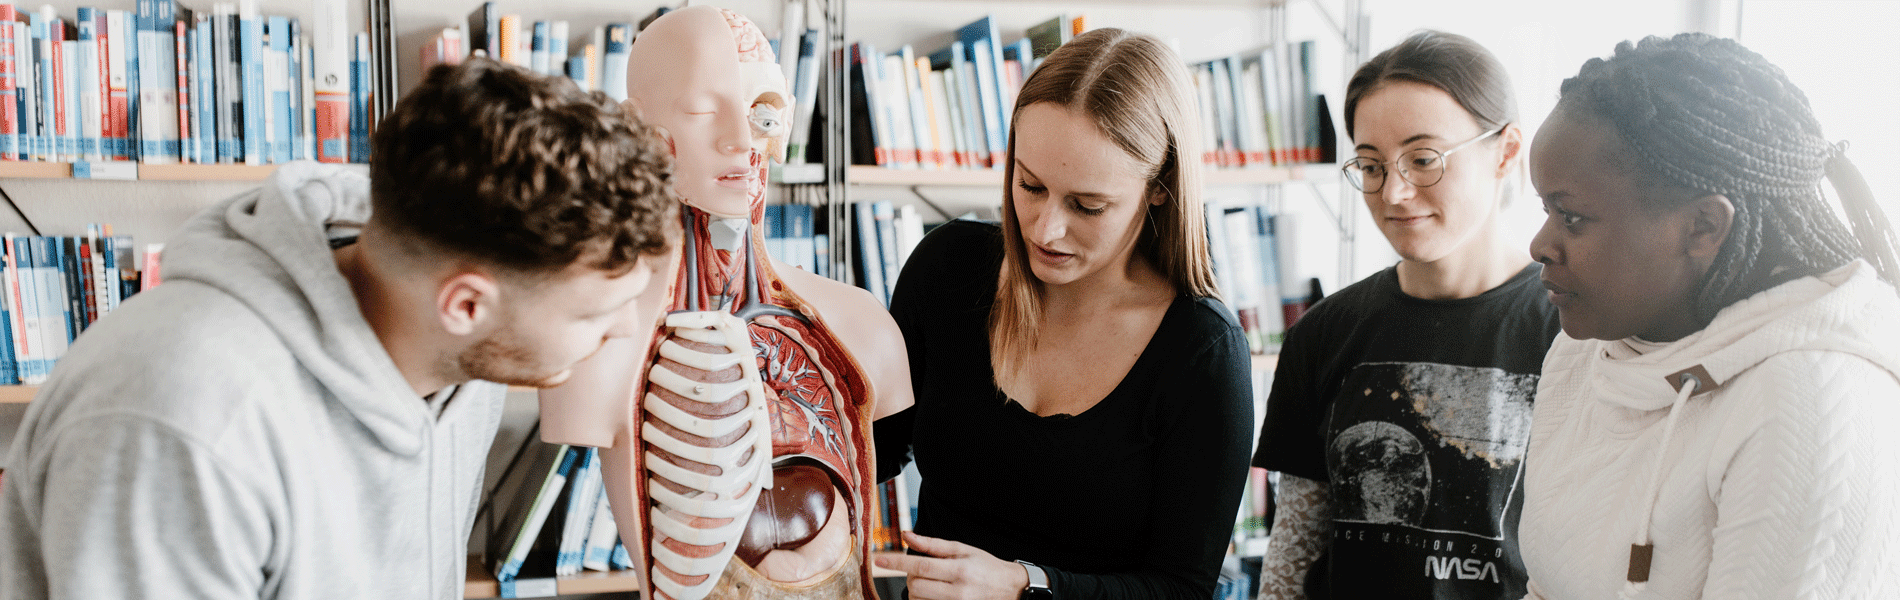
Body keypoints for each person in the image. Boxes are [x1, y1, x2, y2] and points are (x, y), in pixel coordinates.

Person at [0, 59, 677, 600]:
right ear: (466, 306)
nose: (625, 330)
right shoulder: (180, 417)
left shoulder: (459, 355)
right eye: (594, 312)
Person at [534, 6, 913, 600]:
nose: (742, 138)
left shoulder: (863, 326)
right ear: (644, 136)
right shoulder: (593, 340)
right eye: (705, 110)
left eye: (761, 109)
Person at [871, 27, 1254, 600]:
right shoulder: (947, 269)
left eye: (1088, 205)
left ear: (1159, 187)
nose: (1046, 230)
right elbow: (873, 449)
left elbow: (1181, 587)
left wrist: (1027, 585)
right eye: (1029, 185)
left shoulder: (1201, 349)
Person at [1521, 33, 1900, 600]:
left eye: (1572, 218)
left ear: (1702, 227)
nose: (1540, 245)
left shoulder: (1811, 400)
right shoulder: (1587, 344)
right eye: (1546, 210)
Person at [1253, 30, 1559, 600]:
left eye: (1423, 160)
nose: (1393, 193)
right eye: (1370, 166)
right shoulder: (1323, 334)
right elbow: (1294, 548)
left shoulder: (1571, 334)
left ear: (1507, 150)